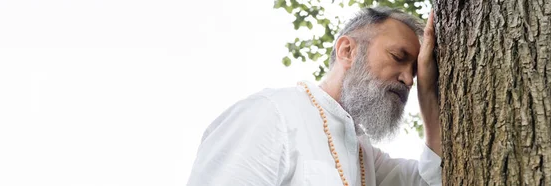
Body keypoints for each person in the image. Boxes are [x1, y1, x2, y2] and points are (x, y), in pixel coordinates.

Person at [187, 6, 441, 186]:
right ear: (347, 51)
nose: (408, 79)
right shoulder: (272, 113)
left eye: (415, 73)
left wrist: (428, 95)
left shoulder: (364, 157)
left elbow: (436, 180)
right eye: (398, 57)